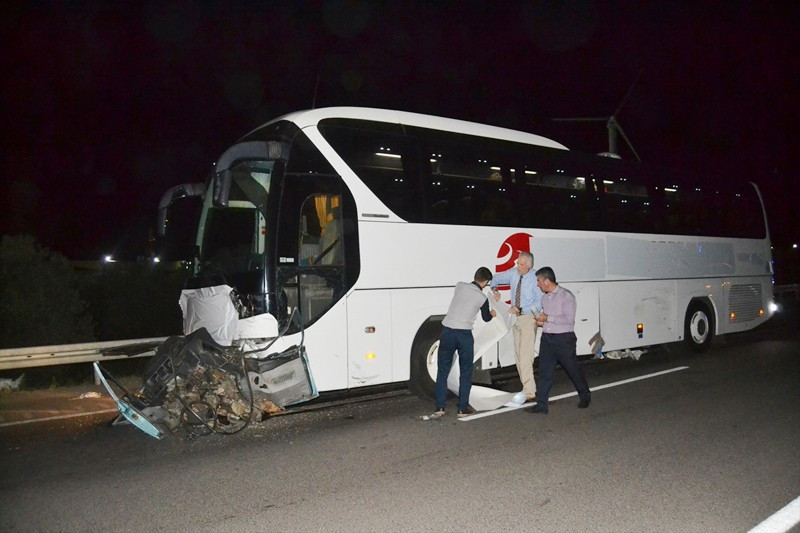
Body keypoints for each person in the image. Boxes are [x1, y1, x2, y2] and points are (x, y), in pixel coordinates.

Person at [432, 267, 497, 418]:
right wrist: (493, 313)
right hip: (464, 336)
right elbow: (486, 318)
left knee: (442, 371)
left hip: (447, 332)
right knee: (465, 372)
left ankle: (439, 407)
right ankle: (462, 408)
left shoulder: (459, 286)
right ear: (486, 282)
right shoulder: (482, 298)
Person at [526, 266, 591, 414]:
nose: (538, 284)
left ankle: (585, 395)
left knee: (572, 369)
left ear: (547, 281)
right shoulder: (544, 298)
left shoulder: (566, 296)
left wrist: (548, 318)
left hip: (564, 339)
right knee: (544, 372)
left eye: (539, 281)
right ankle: (542, 405)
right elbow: (549, 318)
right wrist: (542, 321)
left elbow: (568, 320)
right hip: (548, 339)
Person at [490, 251, 543, 402]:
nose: (517, 266)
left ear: (529, 266)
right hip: (515, 319)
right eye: (517, 263)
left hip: (528, 318)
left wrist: (521, 309)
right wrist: (495, 290)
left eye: (521, 264)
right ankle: (526, 388)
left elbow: (539, 303)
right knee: (518, 357)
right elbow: (495, 277)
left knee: (526, 356)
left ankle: (530, 391)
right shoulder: (514, 274)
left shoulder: (535, 279)